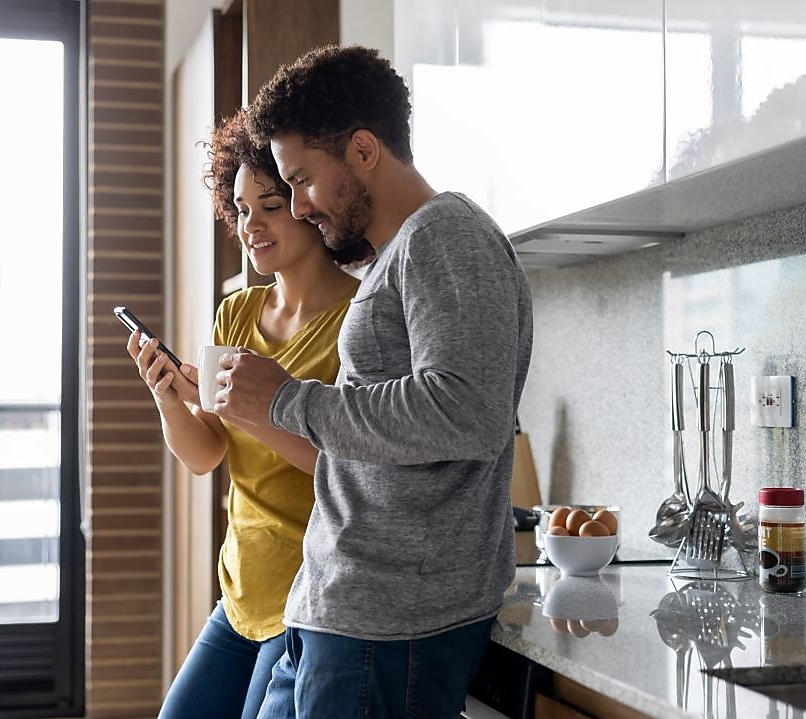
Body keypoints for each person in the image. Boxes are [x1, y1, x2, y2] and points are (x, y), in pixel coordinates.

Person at [213, 45, 534, 719]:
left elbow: (466, 411)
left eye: (302, 179)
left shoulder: (446, 236)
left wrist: (285, 399)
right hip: (340, 607)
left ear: (363, 150)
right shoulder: (398, 254)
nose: (298, 206)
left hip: (388, 624)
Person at [125, 109, 359, 719]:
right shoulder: (235, 313)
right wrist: (168, 397)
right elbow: (206, 453)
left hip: (306, 600)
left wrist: (253, 411)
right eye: (240, 209)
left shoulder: (357, 321)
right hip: (239, 593)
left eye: (269, 206)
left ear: (307, 203)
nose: (250, 225)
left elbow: (348, 465)